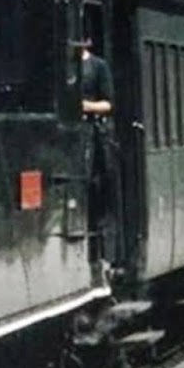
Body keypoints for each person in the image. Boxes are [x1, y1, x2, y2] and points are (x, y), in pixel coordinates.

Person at [79, 38, 118, 278]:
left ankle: (102, 252)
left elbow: (108, 104)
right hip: (74, 132)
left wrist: (85, 106)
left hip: (93, 132)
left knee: (98, 185)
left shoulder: (98, 66)